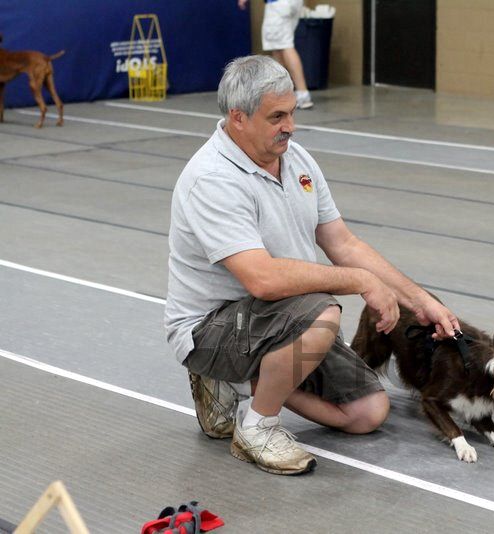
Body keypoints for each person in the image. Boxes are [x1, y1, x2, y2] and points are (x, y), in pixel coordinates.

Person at [165, 55, 459, 475]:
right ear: (238, 118)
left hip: (278, 321)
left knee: (368, 412)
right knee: (323, 310)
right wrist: (359, 281)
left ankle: (241, 384)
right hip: (210, 329)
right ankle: (258, 428)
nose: (290, 125)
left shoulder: (297, 160)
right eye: (277, 116)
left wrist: (420, 300)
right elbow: (262, 280)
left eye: (292, 113)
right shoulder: (212, 179)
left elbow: (342, 242)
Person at [238, 0, 314, 109]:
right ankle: (280, 91)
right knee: (278, 47)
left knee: (285, 45)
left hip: (278, 4)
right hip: (293, 4)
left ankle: (303, 94)